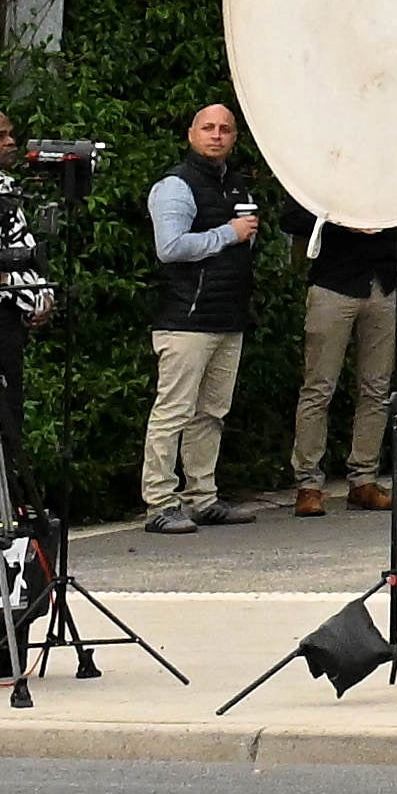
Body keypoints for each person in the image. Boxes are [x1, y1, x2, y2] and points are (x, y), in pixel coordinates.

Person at [137, 99, 270, 532]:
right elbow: (170, 247)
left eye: (225, 129)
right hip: (184, 320)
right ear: (191, 135)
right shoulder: (176, 186)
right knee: (172, 411)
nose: (216, 135)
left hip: (228, 317)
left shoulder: (236, 184)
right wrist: (228, 235)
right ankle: (159, 501)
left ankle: (202, 497)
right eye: (208, 128)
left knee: (211, 412)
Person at [286, 189, 397, 516]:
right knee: (319, 387)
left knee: (376, 386)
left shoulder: (386, 166)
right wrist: (343, 223)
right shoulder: (320, 166)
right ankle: (308, 483)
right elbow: (292, 217)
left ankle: (363, 478)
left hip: (382, 282)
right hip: (334, 283)